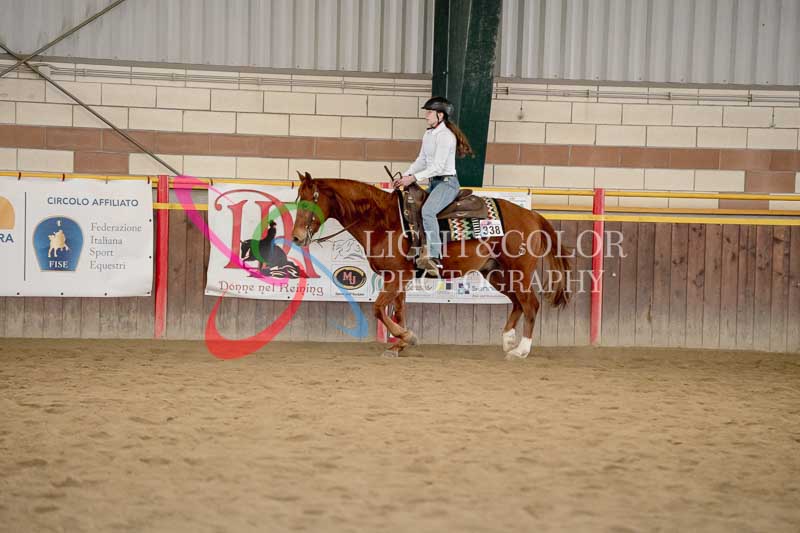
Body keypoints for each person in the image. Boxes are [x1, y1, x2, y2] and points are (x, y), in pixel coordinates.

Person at [393, 96, 473, 276]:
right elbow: (421, 160)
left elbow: (437, 166)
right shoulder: (428, 134)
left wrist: (413, 178)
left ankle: (434, 257)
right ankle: (418, 246)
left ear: (440, 115)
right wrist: (405, 175)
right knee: (412, 207)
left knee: (428, 211)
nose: (426, 115)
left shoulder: (446, 137)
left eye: (429, 112)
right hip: (434, 183)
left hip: (447, 184)